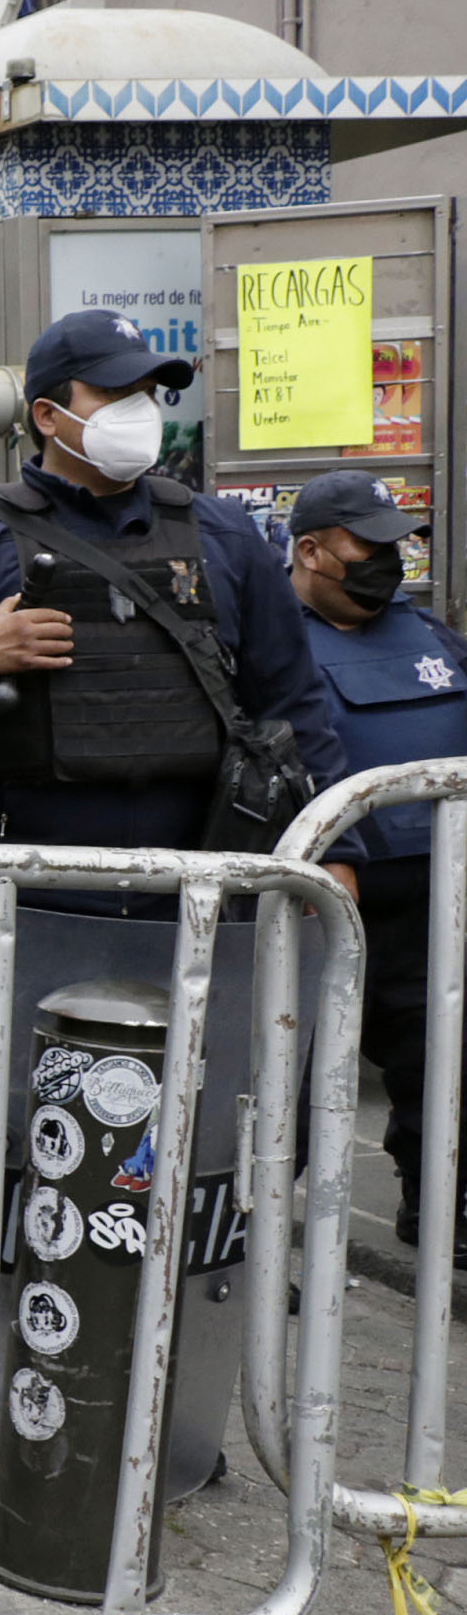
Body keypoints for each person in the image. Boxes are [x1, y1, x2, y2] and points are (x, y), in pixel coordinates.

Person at [0, 309, 352, 898]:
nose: (139, 408)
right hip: (30, 892)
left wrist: (331, 850)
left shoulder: (225, 536)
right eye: (113, 392)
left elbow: (294, 705)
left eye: (147, 392)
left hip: (205, 884)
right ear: (47, 416)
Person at [286, 468, 467, 1261]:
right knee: (285, 1080)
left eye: (398, 543)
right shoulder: (267, 639)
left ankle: (439, 1214)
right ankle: (245, 1247)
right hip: (317, 902)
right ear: (312, 551)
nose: (389, 560)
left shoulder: (430, 634)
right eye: (369, 544)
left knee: (442, 1063)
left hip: (435, 898)